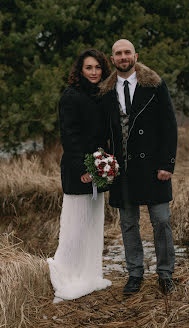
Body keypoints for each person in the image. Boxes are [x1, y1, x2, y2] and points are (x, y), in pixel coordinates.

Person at [99, 39, 177, 295]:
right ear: (112, 59)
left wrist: (167, 164)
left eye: (127, 52)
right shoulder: (105, 92)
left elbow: (169, 126)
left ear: (135, 55)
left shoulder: (155, 85)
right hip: (123, 170)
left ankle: (165, 274)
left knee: (162, 221)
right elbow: (102, 133)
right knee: (128, 224)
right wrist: (105, 162)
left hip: (154, 167)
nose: (123, 57)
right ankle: (135, 273)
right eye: (118, 54)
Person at [47, 49, 112, 303]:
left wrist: (104, 164)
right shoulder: (70, 96)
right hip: (79, 170)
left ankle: (90, 274)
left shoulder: (102, 96)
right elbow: (70, 136)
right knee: (76, 225)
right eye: (89, 68)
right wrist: (83, 169)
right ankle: (69, 274)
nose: (94, 72)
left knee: (94, 225)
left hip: (99, 167)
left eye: (97, 67)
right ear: (80, 71)